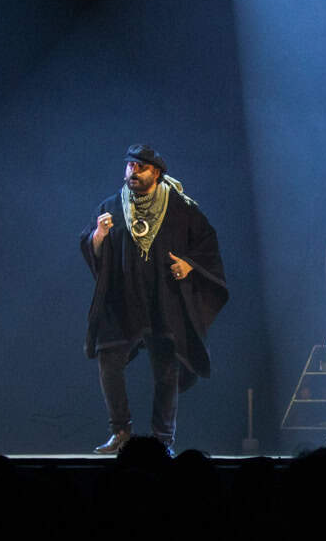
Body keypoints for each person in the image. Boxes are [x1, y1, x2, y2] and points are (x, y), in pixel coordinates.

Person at [80, 144, 228, 455]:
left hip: (163, 300)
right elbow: (89, 244)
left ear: (156, 173)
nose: (132, 172)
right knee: (109, 361)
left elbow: (208, 243)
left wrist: (189, 265)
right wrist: (98, 237)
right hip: (123, 301)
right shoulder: (111, 206)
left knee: (166, 370)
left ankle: (162, 441)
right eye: (130, 166)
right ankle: (120, 431)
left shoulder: (180, 208)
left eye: (140, 167)